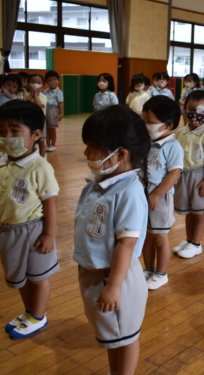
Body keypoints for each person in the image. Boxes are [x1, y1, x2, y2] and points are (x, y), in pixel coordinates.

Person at [74, 105, 149, 375]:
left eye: (93, 146)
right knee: (112, 337)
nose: (86, 153)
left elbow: (126, 244)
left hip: (116, 278)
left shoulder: (128, 191)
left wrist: (114, 286)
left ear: (121, 154)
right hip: (96, 274)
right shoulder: (100, 183)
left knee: (125, 337)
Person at [0, 100, 59, 339]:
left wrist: (49, 234)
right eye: (1, 131)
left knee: (38, 277)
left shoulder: (40, 167)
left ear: (35, 134)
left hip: (34, 231)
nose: (7, 137)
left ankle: (38, 317)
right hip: (8, 231)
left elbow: (51, 203)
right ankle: (29, 312)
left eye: (15, 131)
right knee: (21, 277)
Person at [142, 96, 183, 290]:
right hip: (143, 195)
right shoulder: (146, 143)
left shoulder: (172, 145)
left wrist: (157, 194)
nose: (145, 125)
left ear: (167, 125)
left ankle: (161, 273)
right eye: (144, 120)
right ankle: (148, 269)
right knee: (146, 236)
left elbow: (174, 173)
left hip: (160, 197)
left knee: (159, 236)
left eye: (149, 121)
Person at [173, 90, 204, 258]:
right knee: (189, 211)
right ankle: (189, 240)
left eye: (200, 111)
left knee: (199, 212)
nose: (195, 114)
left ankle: (196, 243)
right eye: (191, 109)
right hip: (183, 175)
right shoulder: (180, 132)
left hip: (200, 176)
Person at [26, 74, 48, 157]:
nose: (35, 84)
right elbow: (24, 102)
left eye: (38, 83)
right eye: (33, 82)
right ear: (28, 84)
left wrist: (35, 95)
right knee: (29, 140)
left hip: (40, 121)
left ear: (42, 86)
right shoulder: (26, 95)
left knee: (41, 141)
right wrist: (31, 95)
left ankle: (42, 158)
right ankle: (30, 157)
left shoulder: (43, 97)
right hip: (28, 120)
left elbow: (39, 105)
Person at [43, 71, 64, 152]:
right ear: (47, 82)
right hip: (45, 110)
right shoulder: (44, 91)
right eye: (50, 80)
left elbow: (60, 103)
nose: (52, 81)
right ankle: (47, 144)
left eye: (54, 79)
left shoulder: (59, 92)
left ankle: (53, 144)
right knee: (47, 129)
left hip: (53, 110)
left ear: (58, 81)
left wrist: (60, 113)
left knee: (52, 129)